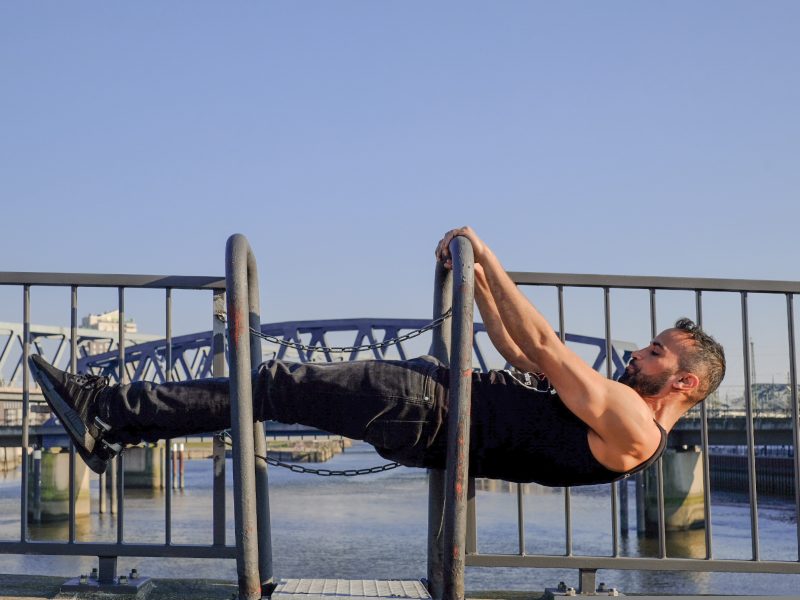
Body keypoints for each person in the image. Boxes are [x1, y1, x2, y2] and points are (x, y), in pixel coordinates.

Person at [29, 227, 726, 486]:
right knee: (274, 386)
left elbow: (544, 343)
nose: (639, 352)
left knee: (273, 383)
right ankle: (114, 423)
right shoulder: (620, 410)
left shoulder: (635, 430)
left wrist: (487, 252)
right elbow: (521, 351)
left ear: (685, 381)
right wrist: (478, 284)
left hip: (426, 408)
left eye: (657, 351)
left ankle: (108, 413)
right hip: (429, 404)